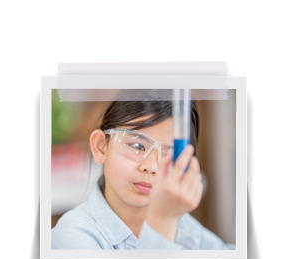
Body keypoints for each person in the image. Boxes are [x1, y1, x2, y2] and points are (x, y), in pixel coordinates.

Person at [51, 89, 235, 250]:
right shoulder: (71, 237)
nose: (152, 167)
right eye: (137, 146)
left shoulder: (182, 226)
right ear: (101, 147)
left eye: (169, 153)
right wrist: (162, 222)